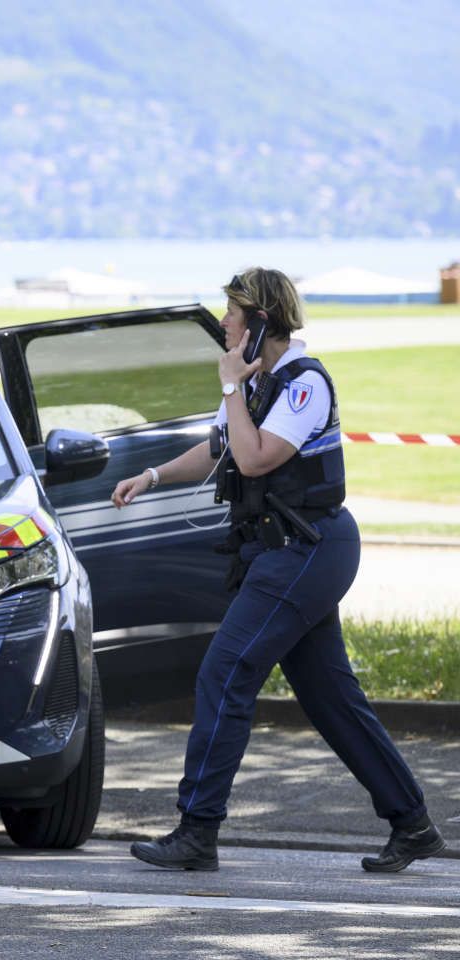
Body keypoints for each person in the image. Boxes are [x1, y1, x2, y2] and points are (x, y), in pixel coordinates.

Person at [112, 267, 443, 874]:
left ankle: (197, 830)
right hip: (285, 551)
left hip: (310, 547)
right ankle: (413, 823)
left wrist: (232, 387)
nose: (224, 324)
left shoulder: (301, 384)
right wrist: (152, 475)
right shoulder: (256, 379)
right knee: (330, 697)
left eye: (233, 314)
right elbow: (219, 447)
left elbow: (256, 458)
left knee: (226, 672)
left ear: (261, 319)